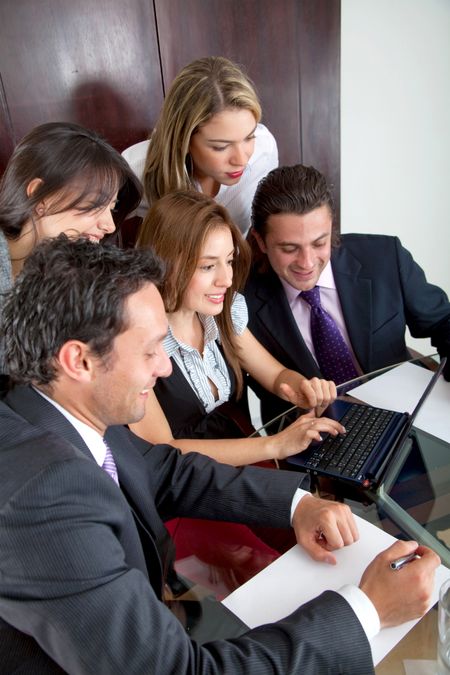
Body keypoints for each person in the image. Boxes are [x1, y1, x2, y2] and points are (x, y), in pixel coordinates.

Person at [0, 235, 439, 674]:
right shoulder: (45, 498)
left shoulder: (51, 406)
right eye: (151, 350)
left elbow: (164, 469)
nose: (166, 367)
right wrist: (367, 611)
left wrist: (297, 504)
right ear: (79, 360)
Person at [134, 190, 341, 466]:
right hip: (180, 480)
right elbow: (163, 450)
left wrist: (301, 387)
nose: (227, 279)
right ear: (165, 265)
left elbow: (276, 375)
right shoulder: (133, 340)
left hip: (234, 461)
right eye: (208, 266)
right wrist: (275, 445)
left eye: (229, 261)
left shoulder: (221, 315)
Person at [244, 164, 450, 424]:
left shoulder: (385, 257)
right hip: (310, 431)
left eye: (320, 243)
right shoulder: (242, 300)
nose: (307, 263)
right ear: (261, 241)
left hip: (405, 418)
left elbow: (443, 321)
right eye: (289, 248)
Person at [122, 56, 278, 236]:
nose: (242, 160)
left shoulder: (264, 148)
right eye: (221, 147)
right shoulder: (135, 169)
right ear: (183, 139)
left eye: (249, 137)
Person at [0, 120, 141, 300]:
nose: (110, 226)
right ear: (41, 196)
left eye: (112, 208)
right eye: (96, 204)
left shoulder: (86, 273)